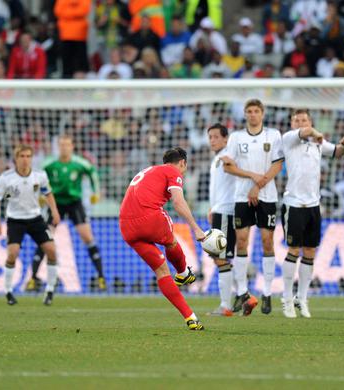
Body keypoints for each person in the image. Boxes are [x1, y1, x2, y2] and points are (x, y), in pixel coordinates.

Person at [119, 147, 206, 330]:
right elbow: (178, 201)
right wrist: (197, 229)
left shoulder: (150, 170)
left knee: (162, 272)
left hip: (126, 226)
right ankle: (183, 273)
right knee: (171, 240)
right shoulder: (173, 171)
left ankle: (191, 318)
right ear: (182, 163)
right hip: (148, 218)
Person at [280, 109, 344, 318]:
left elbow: (337, 152)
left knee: (310, 252)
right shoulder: (288, 139)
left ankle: (302, 299)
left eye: (304, 120)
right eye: (297, 120)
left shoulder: (317, 144)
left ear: (310, 121)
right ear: (292, 123)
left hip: (314, 205)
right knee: (293, 250)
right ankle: (286, 298)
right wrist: (315, 131)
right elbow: (307, 132)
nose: (301, 123)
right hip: (294, 204)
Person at [220, 99, 284, 316]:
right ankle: (243, 291)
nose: (253, 114)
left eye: (256, 111)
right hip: (241, 197)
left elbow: (278, 164)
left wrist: (258, 185)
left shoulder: (273, 135)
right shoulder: (236, 137)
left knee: (267, 242)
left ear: (263, 113)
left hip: (266, 195)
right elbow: (228, 166)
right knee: (241, 242)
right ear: (245, 114)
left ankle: (266, 292)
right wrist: (251, 176)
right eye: (249, 111)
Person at [28, 135, 105, 292]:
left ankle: (101, 277)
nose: (64, 148)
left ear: (72, 147)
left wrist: (96, 192)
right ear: (58, 147)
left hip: (74, 204)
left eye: (67, 145)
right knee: (45, 238)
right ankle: (33, 278)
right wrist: (39, 196)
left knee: (88, 237)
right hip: (55, 204)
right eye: (61, 145)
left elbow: (93, 173)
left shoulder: (79, 163)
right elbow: (37, 179)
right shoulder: (49, 164)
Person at [0, 145, 61, 306]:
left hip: (35, 218)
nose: (25, 159)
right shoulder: (6, 178)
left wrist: (55, 211)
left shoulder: (39, 175)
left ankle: (50, 290)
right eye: (22, 156)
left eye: (28, 156)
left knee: (51, 250)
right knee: (12, 254)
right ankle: (8, 291)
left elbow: (48, 193)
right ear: (16, 159)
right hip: (15, 220)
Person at [206, 124, 237, 317]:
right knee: (221, 258)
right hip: (219, 210)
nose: (212, 140)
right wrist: (212, 208)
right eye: (210, 137)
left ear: (226, 139)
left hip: (226, 210)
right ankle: (240, 296)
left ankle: (227, 305)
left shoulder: (228, 157)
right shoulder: (217, 159)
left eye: (216, 136)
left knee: (221, 258)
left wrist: (218, 208)